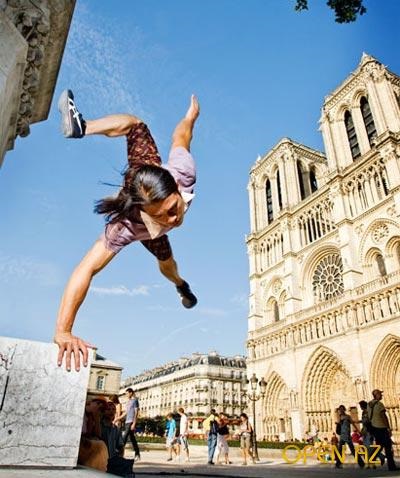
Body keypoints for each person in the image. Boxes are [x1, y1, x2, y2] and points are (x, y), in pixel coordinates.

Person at [54, 90, 200, 371]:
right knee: (164, 258)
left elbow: (181, 137)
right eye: (163, 217)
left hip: (147, 171)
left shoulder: (183, 172)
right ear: (145, 213)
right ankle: (81, 127)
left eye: (174, 208)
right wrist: (63, 330)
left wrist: (190, 117)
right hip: (140, 221)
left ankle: (181, 285)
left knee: (137, 126)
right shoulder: (125, 226)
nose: (174, 219)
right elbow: (85, 269)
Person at [101, 401, 135, 477]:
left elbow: (120, 446)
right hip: (101, 460)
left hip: (112, 460)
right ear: (103, 411)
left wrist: (119, 458)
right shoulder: (99, 426)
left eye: (113, 409)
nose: (111, 411)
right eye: (108, 409)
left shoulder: (115, 429)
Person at [368, 389, 399, 471]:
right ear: (376, 395)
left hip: (374, 428)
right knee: (388, 447)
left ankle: (370, 460)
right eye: (380, 394)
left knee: (379, 446)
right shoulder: (379, 404)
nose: (381, 396)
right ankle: (391, 466)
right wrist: (388, 427)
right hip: (381, 428)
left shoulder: (369, 404)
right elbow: (383, 416)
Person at [78, 397, 109, 472]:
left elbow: (98, 435)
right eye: (97, 404)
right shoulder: (80, 411)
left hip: (83, 444)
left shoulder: (91, 417)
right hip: (78, 443)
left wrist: (96, 418)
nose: (98, 407)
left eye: (101, 409)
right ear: (90, 403)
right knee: (101, 446)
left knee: (100, 445)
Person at [334, 405, 364, 469]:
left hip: (347, 435)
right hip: (342, 435)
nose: (341, 410)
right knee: (340, 450)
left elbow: (353, 424)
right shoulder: (339, 417)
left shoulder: (348, 417)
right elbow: (338, 423)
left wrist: (359, 431)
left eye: (342, 409)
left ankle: (361, 463)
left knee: (352, 450)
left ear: (344, 409)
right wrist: (338, 421)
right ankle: (338, 464)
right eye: (340, 409)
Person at [359, 399, 385, 469]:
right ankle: (372, 462)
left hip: (369, 431)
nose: (360, 407)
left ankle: (377, 457)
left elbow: (368, 421)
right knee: (366, 447)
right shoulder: (364, 412)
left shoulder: (368, 412)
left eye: (360, 406)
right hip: (365, 431)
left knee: (368, 447)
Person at [120, 388, 140, 461]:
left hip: (131, 421)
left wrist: (134, 423)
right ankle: (137, 454)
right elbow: (126, 412)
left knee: (124, 437)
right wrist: (118, 418)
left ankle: (120, 454)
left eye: (127, 393)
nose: (126, 395)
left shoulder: (135, 401)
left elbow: (136, 412)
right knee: (132, 439)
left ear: (131, 393)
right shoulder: (128, 402)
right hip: (127, 421)